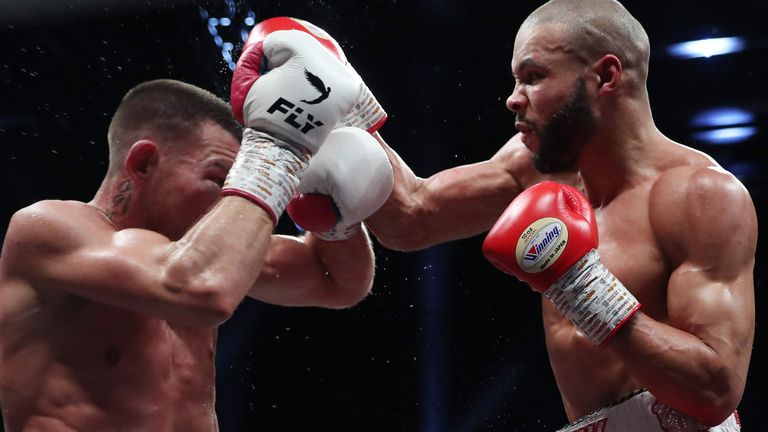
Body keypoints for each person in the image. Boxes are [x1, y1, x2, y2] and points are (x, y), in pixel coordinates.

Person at [361, 0, 755, 430]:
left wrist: (584, 289)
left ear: (605, 76)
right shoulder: (533, 167)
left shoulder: (700, 195)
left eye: (533, 77)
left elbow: (715, 392)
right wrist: (342, 105)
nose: (513, 98)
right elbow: (410, 219)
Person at [0, 25, 394, 431]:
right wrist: (276, 153)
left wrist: (332, 217)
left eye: (235, 182)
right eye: (219, 177)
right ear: (143, 163)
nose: (231, 202)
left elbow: (338, 282)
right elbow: (202, 287)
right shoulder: (47, 232)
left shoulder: (201, 250)